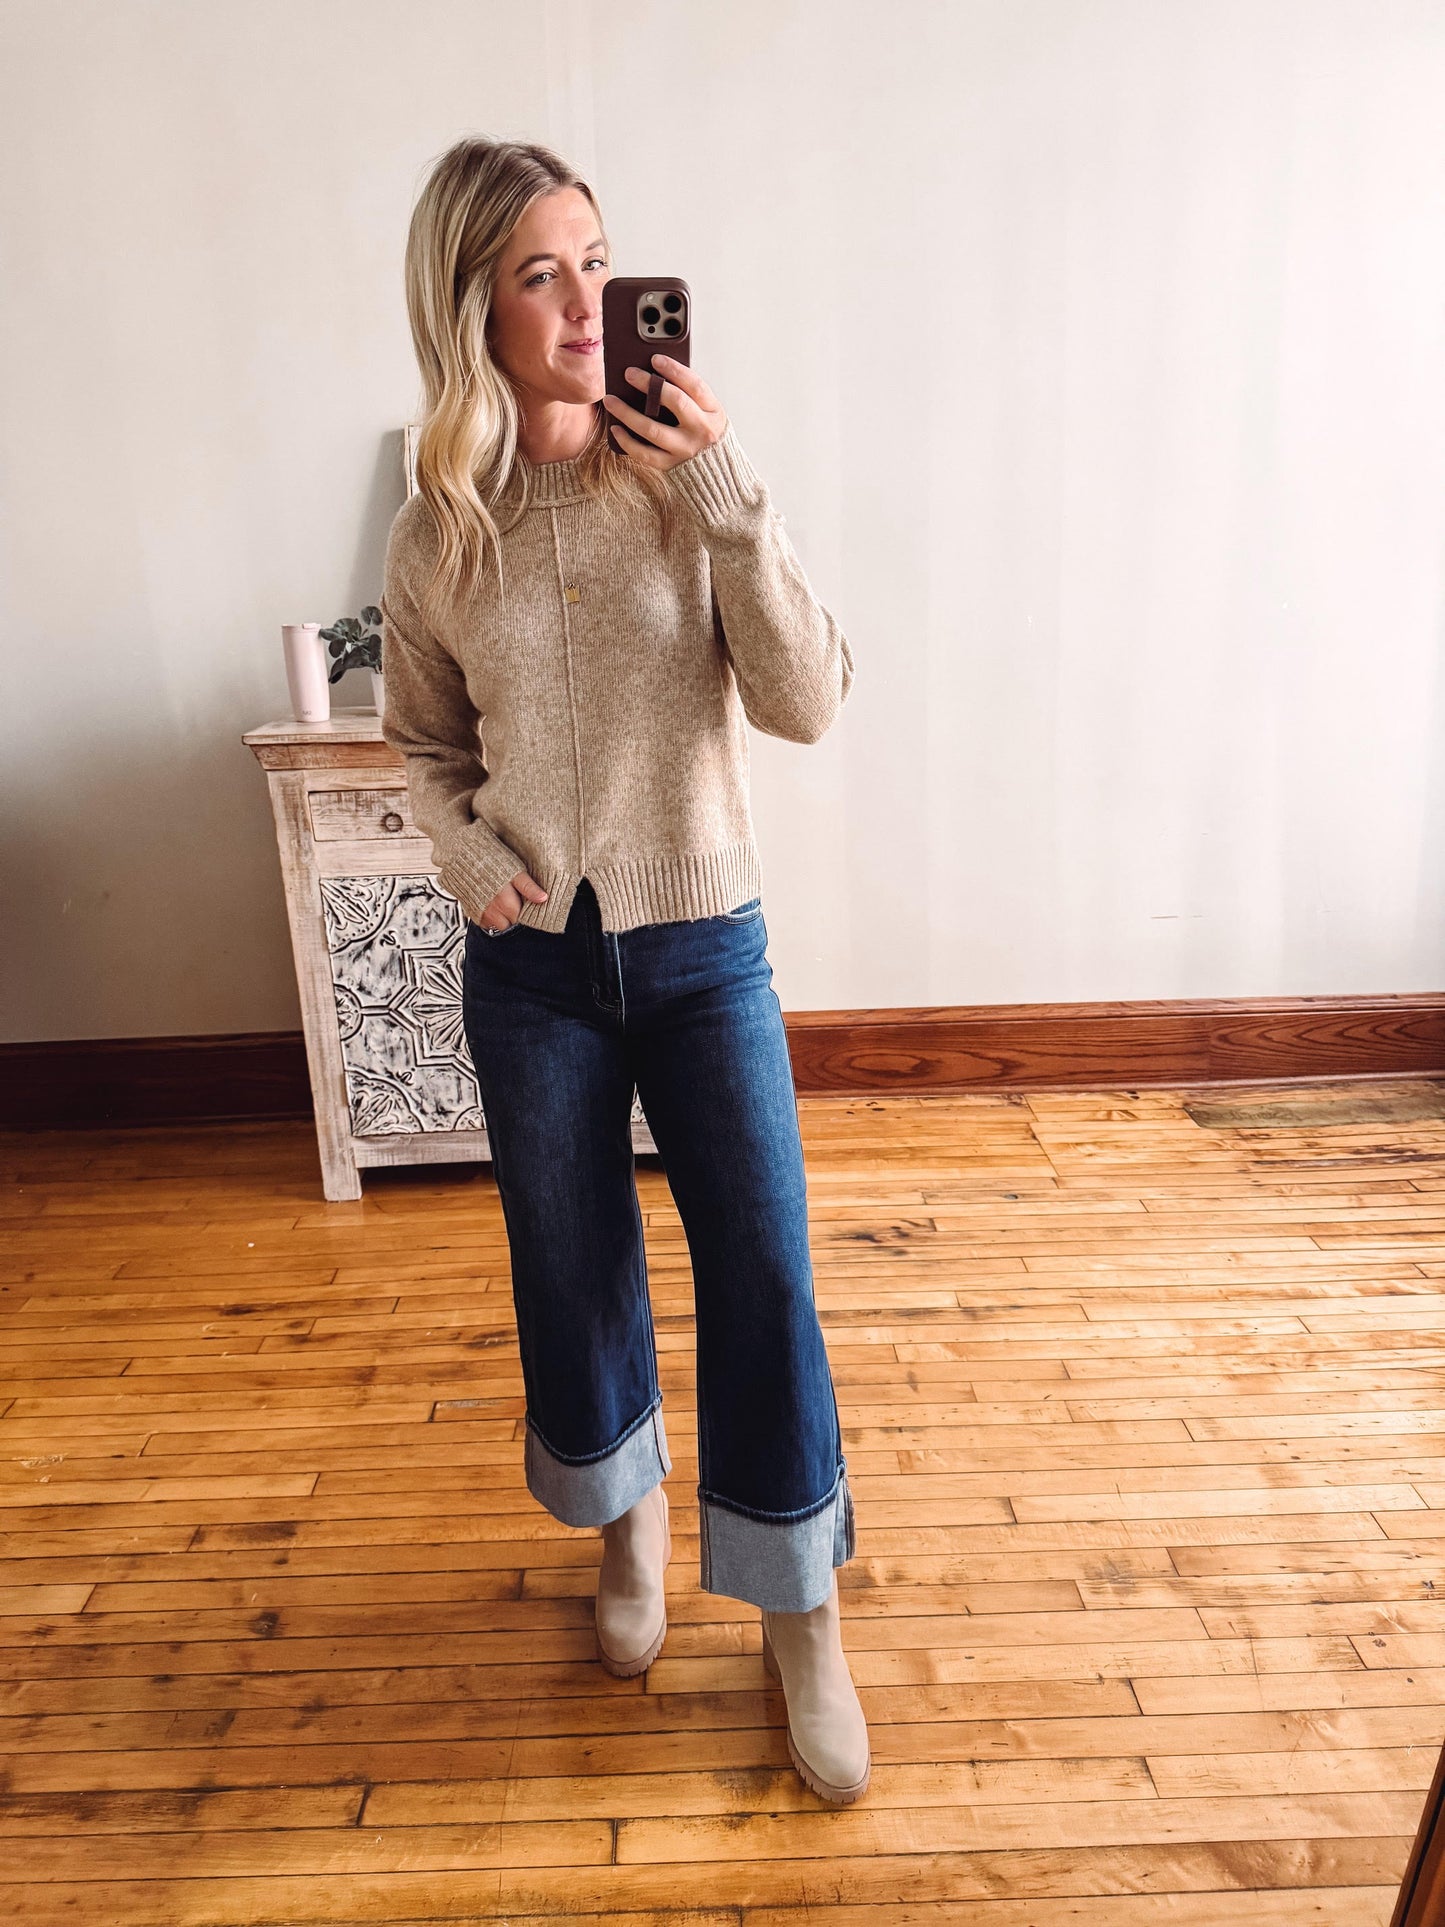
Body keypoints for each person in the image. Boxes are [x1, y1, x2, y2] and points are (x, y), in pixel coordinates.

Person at [379, 136, 868, 1804]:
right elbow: (422, 752)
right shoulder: (439, 528)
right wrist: (468, 861)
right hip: (533, 973)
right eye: (540, 272)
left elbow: (807, 700)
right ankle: (630, 1523)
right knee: (570, 1271)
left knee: (763, 1277)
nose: (587, 301)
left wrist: (730, 502)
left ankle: (798, 1608)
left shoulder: (694, 481)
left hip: (702, 947)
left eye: (597, 260)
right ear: (476, 311)